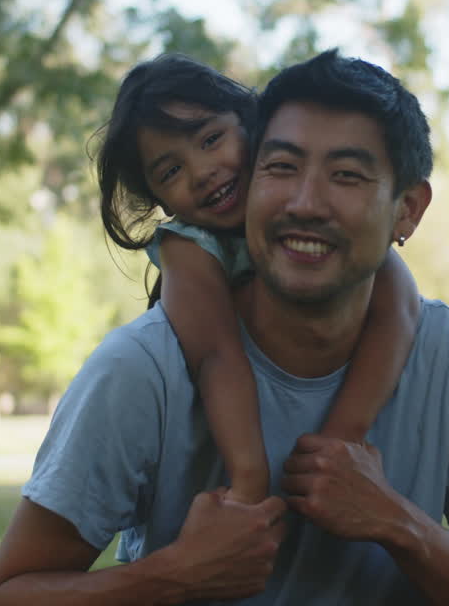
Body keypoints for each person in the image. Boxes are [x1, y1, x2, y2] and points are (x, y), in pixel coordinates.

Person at [0, 51, 449, 606]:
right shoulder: (142, 366)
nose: (305, 203)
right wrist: (176, 575)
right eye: (283, 167)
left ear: (407, 209)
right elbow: (8, 594)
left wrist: (395, 521)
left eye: (346, 176)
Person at [88, 54, 420, 505]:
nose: (202, 172)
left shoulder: (325, 227)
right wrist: (249, 480)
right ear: (159, 200)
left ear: (250, 125)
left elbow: (399, 308)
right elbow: (216, 357)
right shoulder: (189, 247)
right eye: (171, 171)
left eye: (211, 139)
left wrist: (341, 439)